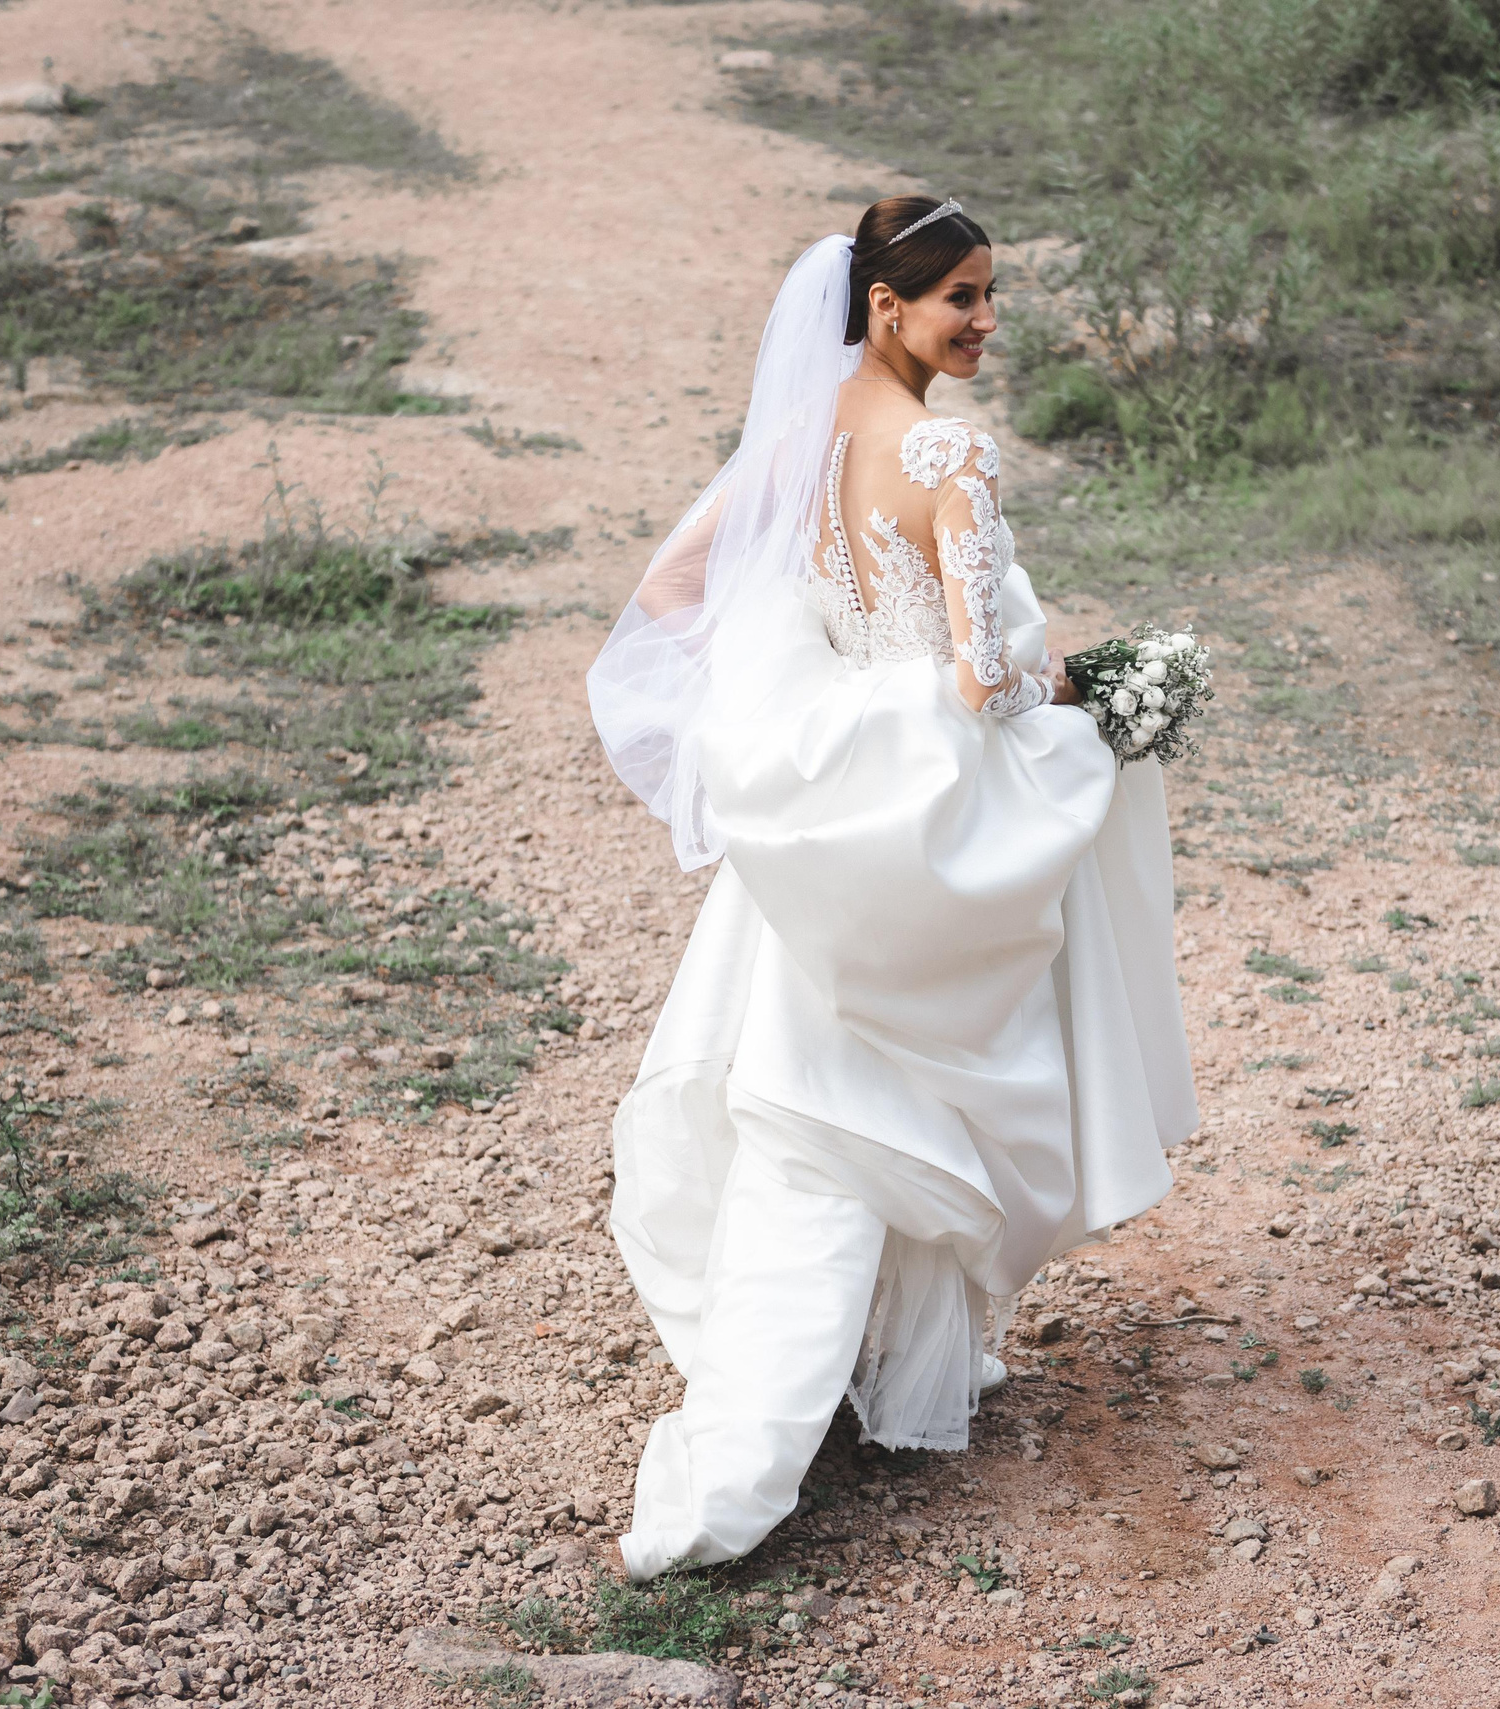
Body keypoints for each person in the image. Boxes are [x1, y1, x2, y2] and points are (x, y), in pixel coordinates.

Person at [587, 194, 1198, 1582]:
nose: (987, 323)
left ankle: (790, 1419)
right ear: (883, 308)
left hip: (830, 812)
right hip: (922, 807)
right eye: (962, 299)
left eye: (991, 296)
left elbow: (675, 590)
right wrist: (1088, 683)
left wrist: (801, 679)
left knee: (818, 1106)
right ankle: (790, 1429)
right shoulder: (950, 454)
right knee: (883, 1103)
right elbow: (986, 677)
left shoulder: (798, 441)